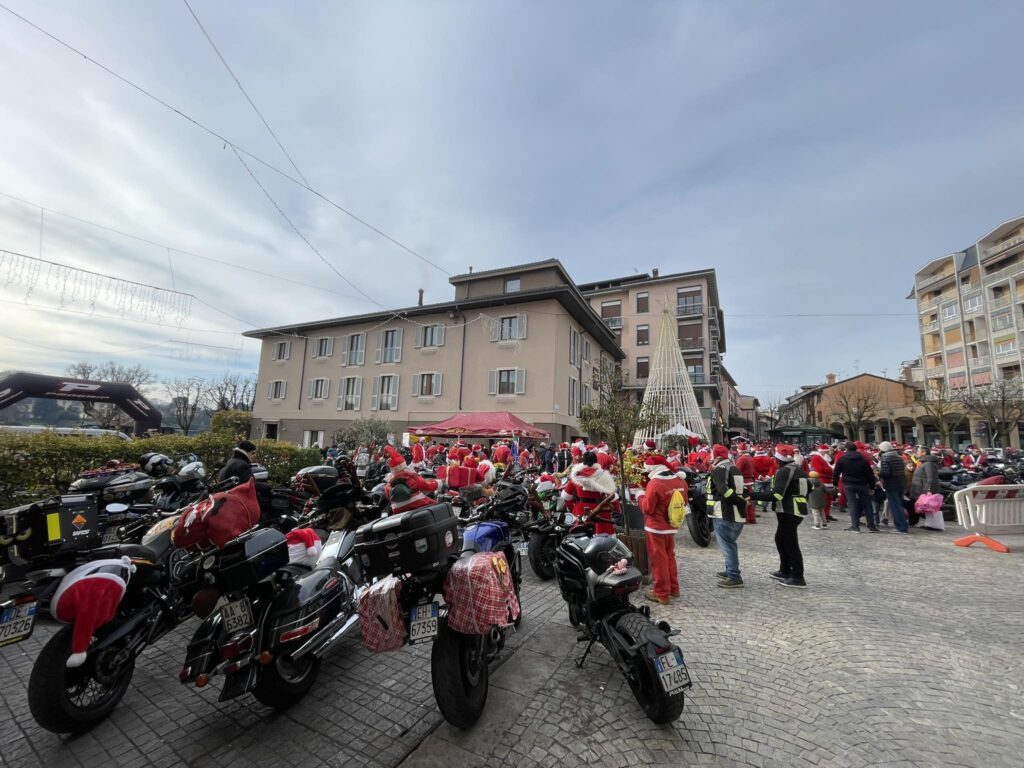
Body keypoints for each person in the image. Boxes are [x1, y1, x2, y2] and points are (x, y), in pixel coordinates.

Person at [753, 443, 810, 588]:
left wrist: (752, 495)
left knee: (790, 543)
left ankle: (798, 577)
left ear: (778, 460)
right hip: (795, 509)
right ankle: (785, 570)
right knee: (780, 539)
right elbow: (811, 487)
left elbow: (777, 495)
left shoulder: (784, 471)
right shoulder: (797, 469)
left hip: (788, 511)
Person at [638, 454, 685, 604]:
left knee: (659, 560)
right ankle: (674, 588)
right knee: (670, 556)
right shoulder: (680, 480)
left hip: (656, 527)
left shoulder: (655, 483)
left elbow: (647, 508)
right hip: (671, 524)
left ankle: (661, 593)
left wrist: (640, 496)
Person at [706, 444, 746, 588]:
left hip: (724, 512)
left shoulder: (720, 469)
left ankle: (734, 576)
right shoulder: (734, 467)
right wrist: (742, 502)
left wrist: (740, 502)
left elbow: (724, 491)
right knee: (729, 543)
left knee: (728, 545)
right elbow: (741, 489)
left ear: (717, 457)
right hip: (735, 513)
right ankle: (730, 570)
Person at [560, 450, 621, 535]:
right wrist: (617, 514)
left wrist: (573, 509)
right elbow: (614, 499)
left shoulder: (576, 476)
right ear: (596, 461)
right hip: (600, 512)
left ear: (583, 461)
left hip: (580, 511)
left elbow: (566, 497)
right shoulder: (603, 476)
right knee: (603, 538)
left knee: (579, 537)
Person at [384, 445, 447, 515]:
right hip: (419, 504)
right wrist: (440, 484)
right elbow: (426, 486)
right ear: (404, 465)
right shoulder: (411, 476)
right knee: (441, 508)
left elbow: (388, 496)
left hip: (398, 510)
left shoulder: (389, 484)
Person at [833, 441, 879, 532]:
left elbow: (836, 472)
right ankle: (871, 526)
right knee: (867, 504)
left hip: (848, 483)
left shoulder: (842, 459)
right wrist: (872, 486)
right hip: (862, 483)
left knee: (852, 504)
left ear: (846, 449)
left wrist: (835, 484)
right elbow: (870, 474)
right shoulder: (863, 459)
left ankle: (855, 526)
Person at [877, 441, 909, 534]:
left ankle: (901, 527)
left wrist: (878, 473)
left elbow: (886, 473)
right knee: (899, 505)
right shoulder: (898, 457)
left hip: (891, 484)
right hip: (900, 483)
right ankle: (902, 525)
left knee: (895, 506)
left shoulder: (885, 457)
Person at [809, 445, 835, 522]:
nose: (827, 453)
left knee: (829, 498)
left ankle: (827, 514)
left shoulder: (822, 457)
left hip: (827, 479)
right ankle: (823, 516)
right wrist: (831, 469)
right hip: (823, 479)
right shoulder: (816, 457)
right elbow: (819, 469)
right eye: (826, 451)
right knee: (824, 498)